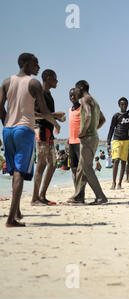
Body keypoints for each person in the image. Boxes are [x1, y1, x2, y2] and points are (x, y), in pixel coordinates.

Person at [0, 53, 58, 227]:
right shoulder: (33, 83)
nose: (38, 66)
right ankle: (11, 219)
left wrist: (7, 123)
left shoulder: (6, 82)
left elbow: (0, 106)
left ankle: (16, 210)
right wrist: (56, 120)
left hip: (8, 130)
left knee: (13, 171)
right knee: (19, 172)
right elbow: (45, 111)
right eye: (35, 63)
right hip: (24, 130)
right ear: (24, 63)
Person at [67, 80, 107, 205]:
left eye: (76, 89)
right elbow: (102, 119)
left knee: (86, 168)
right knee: (80, 168)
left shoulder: (85, 99)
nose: (75, 92)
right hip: (93, 137)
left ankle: (100, 196)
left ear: (81, 88)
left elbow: (89, 116)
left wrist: (83, 132)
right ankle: (78, 196)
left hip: (88, 138)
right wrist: (93, 129)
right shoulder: (95, 101)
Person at [31, 69, 65, 206]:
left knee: (52, 164)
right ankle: (34, 198)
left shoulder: (49, 94)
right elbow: (33, 114)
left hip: (49, 131)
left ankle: (42, 195)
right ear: (48, 78)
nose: (57, 81)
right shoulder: (39, 93)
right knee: (42, 163)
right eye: (55, 78)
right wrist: (55, 116)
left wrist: (57, 122)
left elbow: (47, 114)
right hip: (41, 130)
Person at [107, 97, 129, 190]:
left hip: (126, 141)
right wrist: (108, 142)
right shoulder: (116, 115)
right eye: (122, 104)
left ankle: (120, 183)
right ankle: (113, 182)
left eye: (125, 104)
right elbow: (111, 128)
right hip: (117, 139)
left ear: (127, 105)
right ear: (119, 105)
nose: (123, 106)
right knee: (116, 160)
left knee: (124, 161)